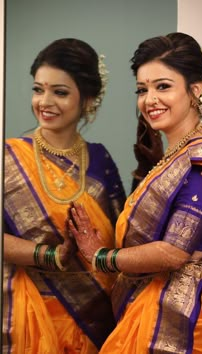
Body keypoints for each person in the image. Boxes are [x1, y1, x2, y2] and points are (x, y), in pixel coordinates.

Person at [68, 32, 202, 353]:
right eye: (142, 89)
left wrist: (100, 257)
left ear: (195, 90)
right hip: (153, 301)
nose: (149, 99)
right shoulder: (172, 156)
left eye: (163, 86)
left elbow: (173, 253)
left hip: (181, 316)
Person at [3, 38, 126, 354]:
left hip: (93, 321)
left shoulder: (100, 160)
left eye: (59, 92)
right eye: (38, 89)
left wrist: (146, 172)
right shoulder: (8, 158)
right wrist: (50, 255)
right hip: (28, 318)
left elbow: (123, 237)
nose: (44, 101)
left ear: (87, 99)